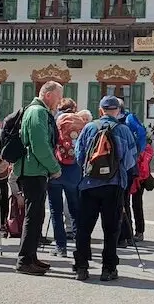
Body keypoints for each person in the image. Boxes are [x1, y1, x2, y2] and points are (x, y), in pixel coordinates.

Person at [73, 96, 137, 282]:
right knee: (111, 229)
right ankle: (108, 269)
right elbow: (129, 160)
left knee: (84, 228)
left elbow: (79, 156)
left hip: (89, 185)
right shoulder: (124, 130)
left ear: (100, 110)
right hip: (114, 185)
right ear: (117, 111)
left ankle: (81, 268)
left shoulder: (89, 127)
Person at [14, 81, 63, 275]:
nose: (59, 101)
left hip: (35, 170)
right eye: (58, 97)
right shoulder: (38, 112)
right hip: (34, 171)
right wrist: (54, 167)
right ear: (49, 95)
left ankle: (31, 256)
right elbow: (40, 145)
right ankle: (25, 260)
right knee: (33, 217)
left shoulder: (38, 111)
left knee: (36, 216)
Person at [49, 105, 89, 258]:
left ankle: (60, 246)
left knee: (56, 211)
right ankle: (80, 246)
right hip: (74, 173)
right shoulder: (80, 128)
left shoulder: (55, 126)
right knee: (75, 210)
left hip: (56, 172)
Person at [115, 99, 146, 247]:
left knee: (122, 202)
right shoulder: (130, 119)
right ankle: (130, 235)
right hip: (132, 167)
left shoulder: (122, 123)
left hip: (123, 168)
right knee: (128, 202)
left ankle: (124, 236)